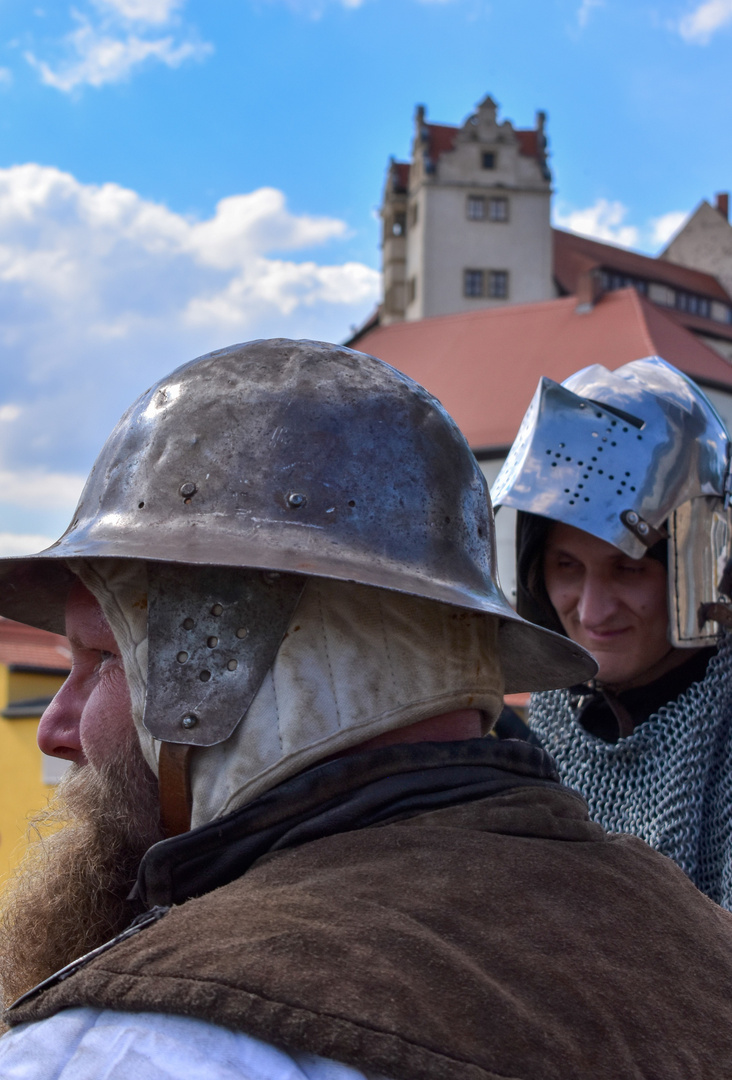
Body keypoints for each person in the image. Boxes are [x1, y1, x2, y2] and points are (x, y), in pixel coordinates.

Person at [2, 340, 732, 1080]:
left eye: (103, 660)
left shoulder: (140, 1045)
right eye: (567, 567)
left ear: (219, 657)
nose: (56, 731)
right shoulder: (683, 935)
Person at [491, 354, 732, 908]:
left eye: (629, 568)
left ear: (692, 566)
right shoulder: (549, 720)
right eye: (567, 567)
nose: (593, 613)